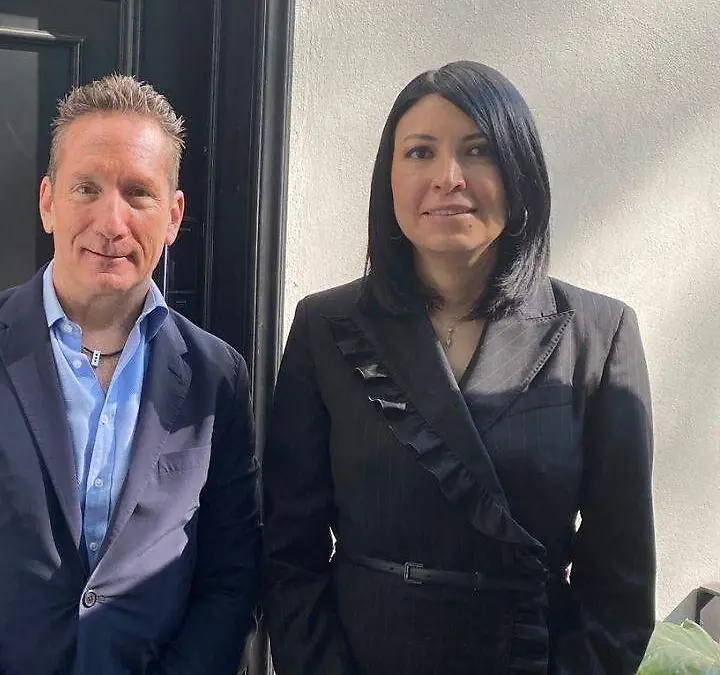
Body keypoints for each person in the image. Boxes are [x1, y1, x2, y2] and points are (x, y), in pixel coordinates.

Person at [260, 61, 655, 675]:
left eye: (479, 151)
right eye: (420, 152)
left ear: (521, 174)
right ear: (389, 179)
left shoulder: (599, 335)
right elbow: (290, 551)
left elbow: (620, 586)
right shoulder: (325, 326)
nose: (448, 178)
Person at [0, 74, 260, 675]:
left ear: (173, 215)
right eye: (86, 188)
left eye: (138, 193)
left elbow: (229, 583)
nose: (111, 221)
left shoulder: (216, 379)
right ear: (48, 201)